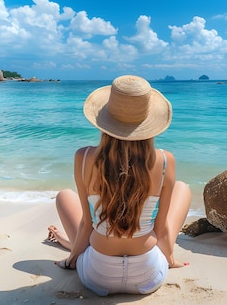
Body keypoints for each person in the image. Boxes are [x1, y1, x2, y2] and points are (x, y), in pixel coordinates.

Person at [46, 74, 192, 296]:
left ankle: (72, 248)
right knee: (183, 188)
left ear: (104, 121)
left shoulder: (83, 157)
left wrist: (72, 261)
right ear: (149, 123)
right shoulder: (165, 160)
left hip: (97, 274)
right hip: (148, 274)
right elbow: (161, 229)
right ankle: (72, 245)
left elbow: (87, 224)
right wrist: (170, 260)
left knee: (65, 196)